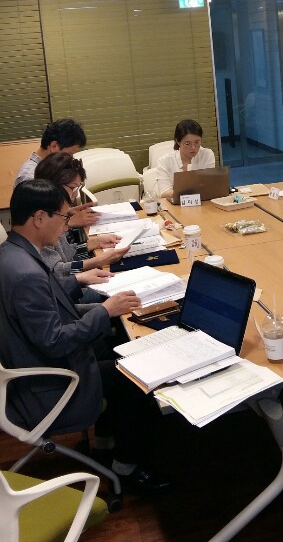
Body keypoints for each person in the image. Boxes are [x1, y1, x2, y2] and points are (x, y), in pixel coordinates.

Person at [0, 179, 172, 493]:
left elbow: (46, 301)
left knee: (119, 350)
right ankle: (127, 468)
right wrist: (104, 311)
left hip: (28, 365)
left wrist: (81, 285)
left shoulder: (12, 253)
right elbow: (55, 341)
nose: (67, 225)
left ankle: (106, 444)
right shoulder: (26, 273)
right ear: (39, 218)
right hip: (47, 387)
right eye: (64, 217)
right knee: (137, 377)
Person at [34, 152, 128, 283]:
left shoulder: (54, 211)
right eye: (73, 188)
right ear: (53, 185)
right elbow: (56, 273)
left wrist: (94, 243)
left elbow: (66, 255)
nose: (75, 194)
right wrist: (98, 261)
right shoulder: (44, 219)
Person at [14, 118, 87, 186]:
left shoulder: (50, 168)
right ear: (54, 146)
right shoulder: (30, 177)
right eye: (70, 153)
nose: (71, 158)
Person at [156, 119, 215, 198]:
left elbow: (209, 184)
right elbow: (164, 192)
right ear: (178, 142)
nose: (193, 147)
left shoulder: (207, 154)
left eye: (197, 142)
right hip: (175, 202)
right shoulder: (164, 161)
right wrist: (181, 193)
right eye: (187, 144)